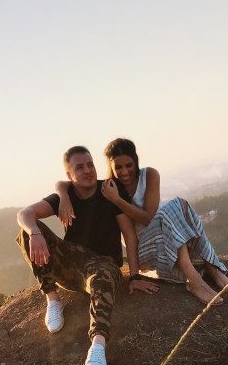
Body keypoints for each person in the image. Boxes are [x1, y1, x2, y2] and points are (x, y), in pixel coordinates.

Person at [16, 145, 158, 365]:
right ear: (69, 175)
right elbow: (24, 214)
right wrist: (35, 231)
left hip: (104, 265)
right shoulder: (65, 195)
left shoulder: (109, 190)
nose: (87, 170)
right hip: (73, 266)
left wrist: (135, 276)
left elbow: (129, 235)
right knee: (27, 232)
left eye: (90, 164)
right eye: (79, 167)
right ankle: (53, 300)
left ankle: (97, 346)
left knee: (101, 273)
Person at [56, 138, 228, 305]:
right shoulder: (109, 188)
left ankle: (211, 267)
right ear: (111, 167)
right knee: (171, 208)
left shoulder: (149, 175)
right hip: (142, 249)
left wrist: (118, 200)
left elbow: (148, 216)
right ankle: (194, 280)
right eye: (118, 167)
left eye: (129, 165)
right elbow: (63, 183)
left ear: (136, 161)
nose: (124, 172)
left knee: (179, 205)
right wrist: (63, 195)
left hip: (166, 235)